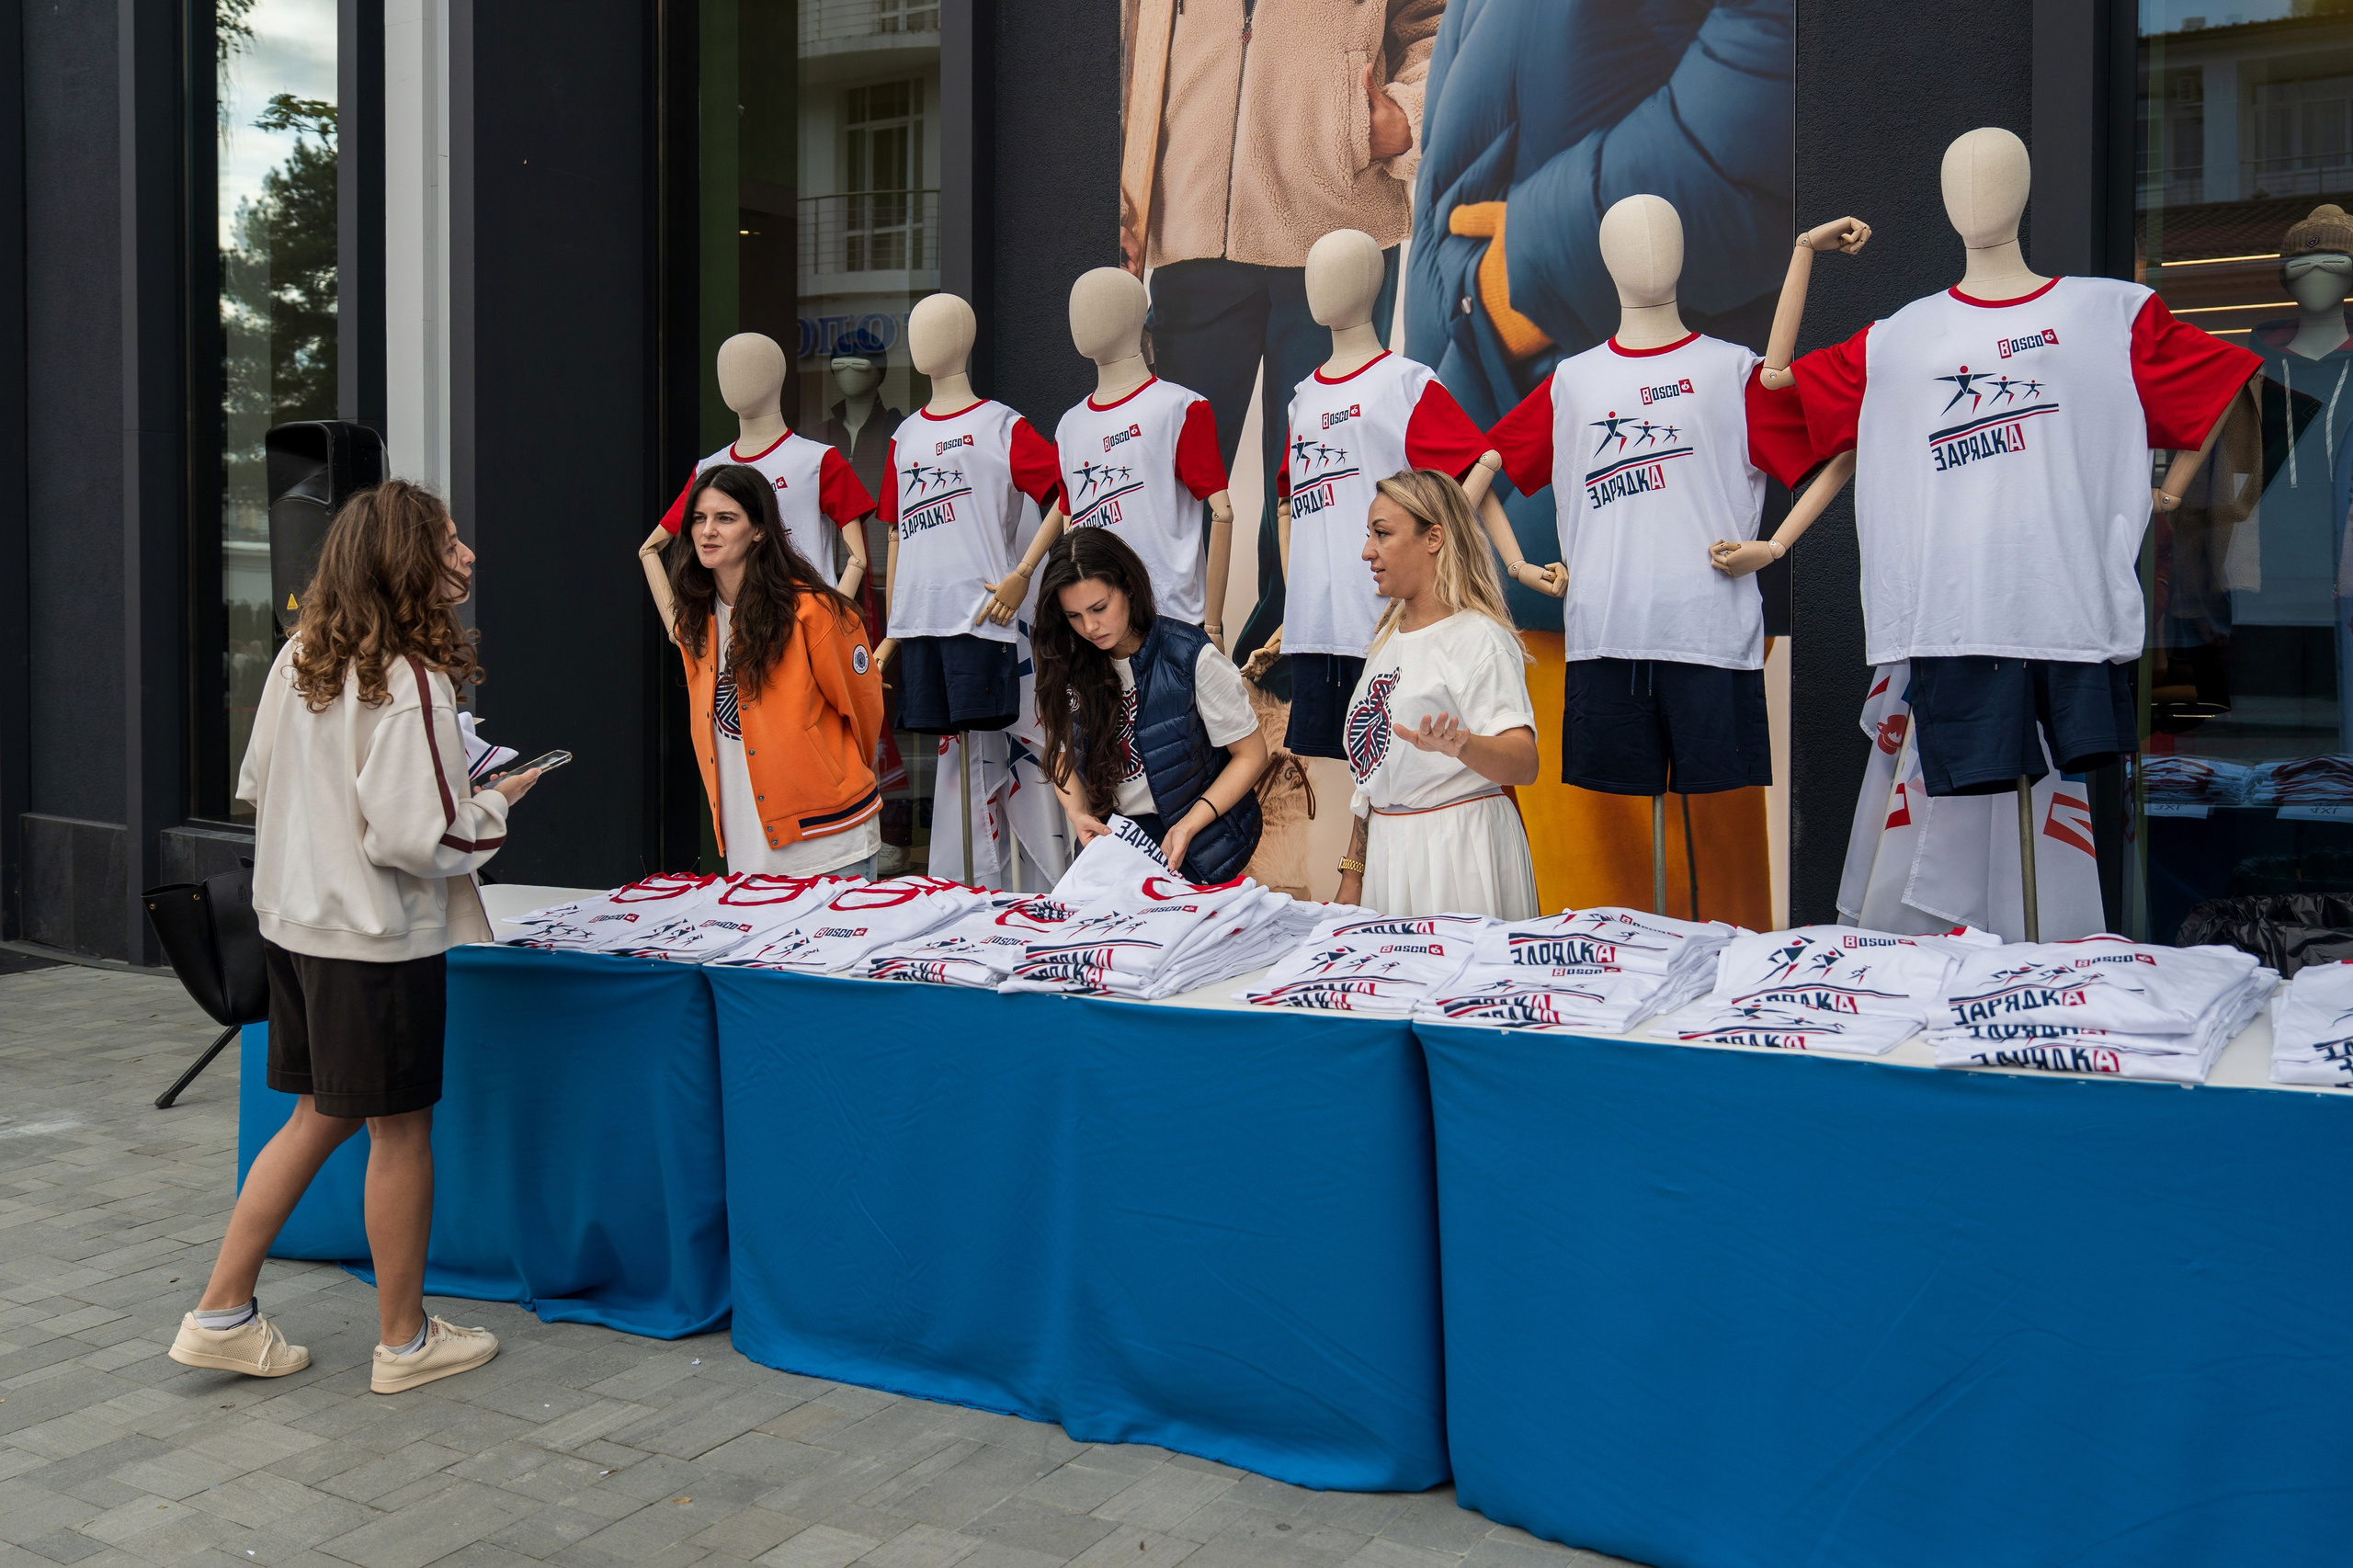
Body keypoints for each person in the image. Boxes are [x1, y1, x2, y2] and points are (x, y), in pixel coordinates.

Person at [169, 480, 540, 1395]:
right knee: (398, 1131)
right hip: (375, 941)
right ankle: (400, 1343)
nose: (467, 555)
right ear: (407, 561)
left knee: (316, 1119)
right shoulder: (413, 680)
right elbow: (420, 838)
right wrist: (496, 802)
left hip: (296, 928)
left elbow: (259, 784)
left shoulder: (300, 655)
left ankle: (225, 1314)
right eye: (447, 543)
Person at [644, 463, 886, 874]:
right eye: (699, 519)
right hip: (748, 846)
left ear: (758, 529)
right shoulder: (695, 624)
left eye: (725, 518)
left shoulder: (814, 611)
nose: (707, 531)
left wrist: (830, 773)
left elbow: (864, 709)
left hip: (829, 844)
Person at [1336, 470, 1540, 917]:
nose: (1367, 551)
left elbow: (1525, 762)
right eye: (1369, 535)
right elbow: (1373, 779)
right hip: (1389, 855)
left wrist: (1464, 746)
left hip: (1459, 852)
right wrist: (1353, 876)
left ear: (1433, 538)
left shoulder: (1479, 638)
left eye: (1382, 534)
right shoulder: (1385, 642)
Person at [1033, 528, 1267, 882]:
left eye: (1099, 608)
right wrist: (1077, 812)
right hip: (1115, 843)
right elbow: (1063, 754)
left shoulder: (1189, 655)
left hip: (1199, 840)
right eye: (1074, 616)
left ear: (1128, 587)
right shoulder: (1067, 666)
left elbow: (1251, 755)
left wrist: (1191, 824)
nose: (1090, 626)